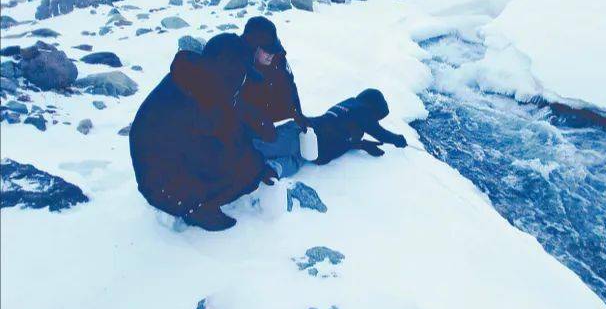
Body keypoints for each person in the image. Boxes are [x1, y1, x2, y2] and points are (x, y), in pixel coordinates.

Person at [129, 34, 275, 231]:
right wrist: (256, 167)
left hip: (170, 166)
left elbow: (228, 126)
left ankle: (194, 200)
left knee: (246, 158)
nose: (243, 80)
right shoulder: (193, 100)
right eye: (242, 73)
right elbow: (212, 152)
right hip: (161, 185)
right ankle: (197, 209)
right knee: (245, 172)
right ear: (229, 69)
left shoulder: (200, 81)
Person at [253, 88, 408, 183]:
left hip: (312, 145)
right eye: (376, 118)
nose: (375, 121)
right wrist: (397, 139)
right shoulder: (362, 110)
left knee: (294, 158)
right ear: (373, 108)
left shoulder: (350, 105)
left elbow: (342, 130)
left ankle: (267, 169)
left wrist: (361, 144)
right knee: (266, 147)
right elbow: (379, 133)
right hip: (305, 134)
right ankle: (244, 152)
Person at [238, 16, 310, 132]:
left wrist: (297, 115)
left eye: (273, 50)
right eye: (267, 50)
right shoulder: (237, 65)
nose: (271, 54)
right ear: (253, 46)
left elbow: (290, 87)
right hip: (253, 132)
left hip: (284, 124)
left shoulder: (278, 58)